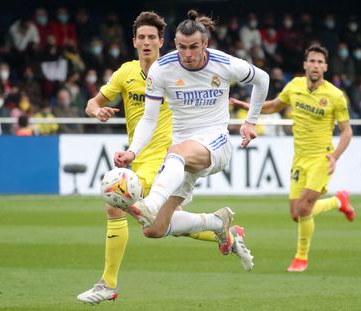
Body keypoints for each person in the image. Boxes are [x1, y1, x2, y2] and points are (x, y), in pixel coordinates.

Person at [77, 11, 252, 305]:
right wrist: (98, 111)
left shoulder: (176, 70)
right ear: (134, 42)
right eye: (141, 38)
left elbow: (210, 86)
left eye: (152, 38)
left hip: (174, 158)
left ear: (162, 41)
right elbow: (92, 103)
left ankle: (107, 284)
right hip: (141, 159)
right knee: (157, 227)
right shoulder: (125, 74)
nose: (146, 43)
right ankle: (218, 226)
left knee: (115, 205)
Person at [113, 10, 268, 268]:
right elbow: (149, 119)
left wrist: (251, 120)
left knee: (175, 153)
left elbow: (262, 79)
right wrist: (133, 151)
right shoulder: (161, 70)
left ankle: (151, 203)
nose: (188, 53)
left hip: (214, 143)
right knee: (155, 229)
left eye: (194, 47)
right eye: (182, 47)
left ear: (205, 43)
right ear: (174, 44)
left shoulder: (224, 63)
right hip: (181, 157)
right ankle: (218, 223)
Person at [230, 43, 355, 272]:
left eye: (320, 62)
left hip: (321, 158)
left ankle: (301, 258)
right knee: (296, 214)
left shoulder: (335, 96)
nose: (315, 65)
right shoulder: (294, 86)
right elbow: (274, 106)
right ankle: (339, 201)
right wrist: (249, 107)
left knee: (304, 208)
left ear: (325, 67)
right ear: (305, 64)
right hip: (300, 158)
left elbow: (347, 131)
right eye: (312, 61)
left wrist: (335, 156)